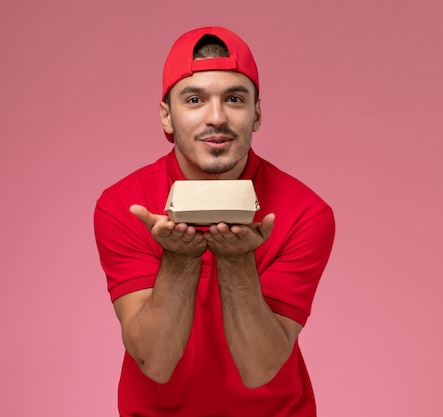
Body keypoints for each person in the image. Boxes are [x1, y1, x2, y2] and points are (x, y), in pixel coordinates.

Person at [94, 26, 335, 416]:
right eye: (194, 99)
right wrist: (180, 259)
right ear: (167, 116)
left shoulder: (306, 212)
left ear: (256, 114)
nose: (217, 117)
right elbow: (154, 361)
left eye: (235, 99)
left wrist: (238, 262)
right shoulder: (123, 205)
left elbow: (260, 369)